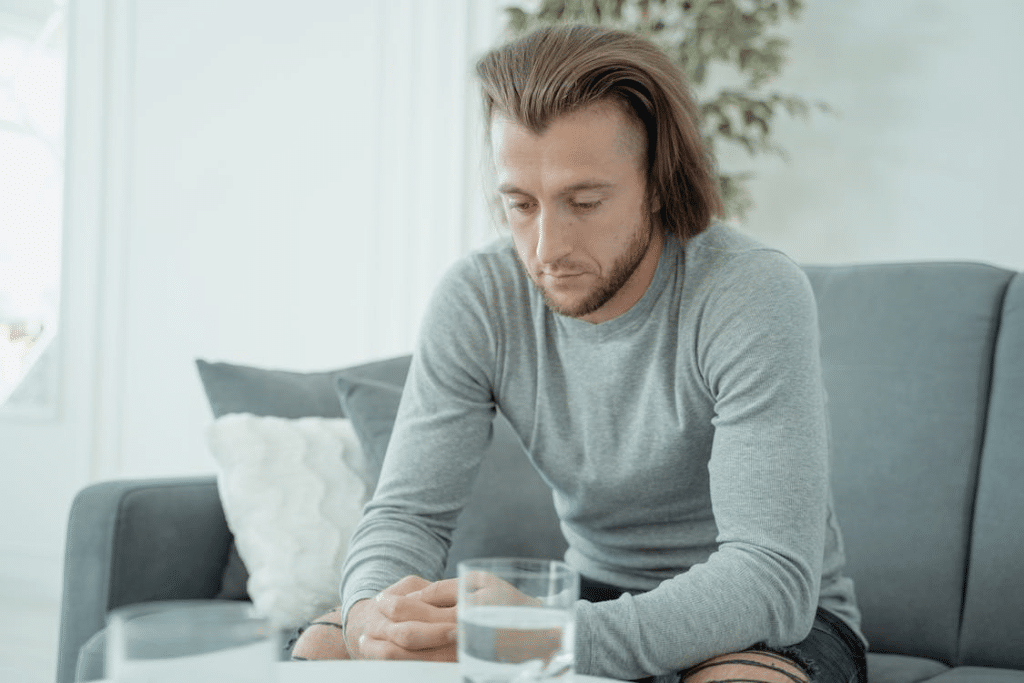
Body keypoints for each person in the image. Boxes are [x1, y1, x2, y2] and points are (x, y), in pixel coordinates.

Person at [292, 23, 868, 683]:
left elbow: (770, 573)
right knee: (329, 644)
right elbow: (406, 513)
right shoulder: (479, 297)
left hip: (769, 626)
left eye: (584, 202)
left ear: (656, 182)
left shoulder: (749, 291)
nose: (546, 248)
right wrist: (372, 614)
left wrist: (546, 639)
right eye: (521, 204)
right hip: (590, 598)